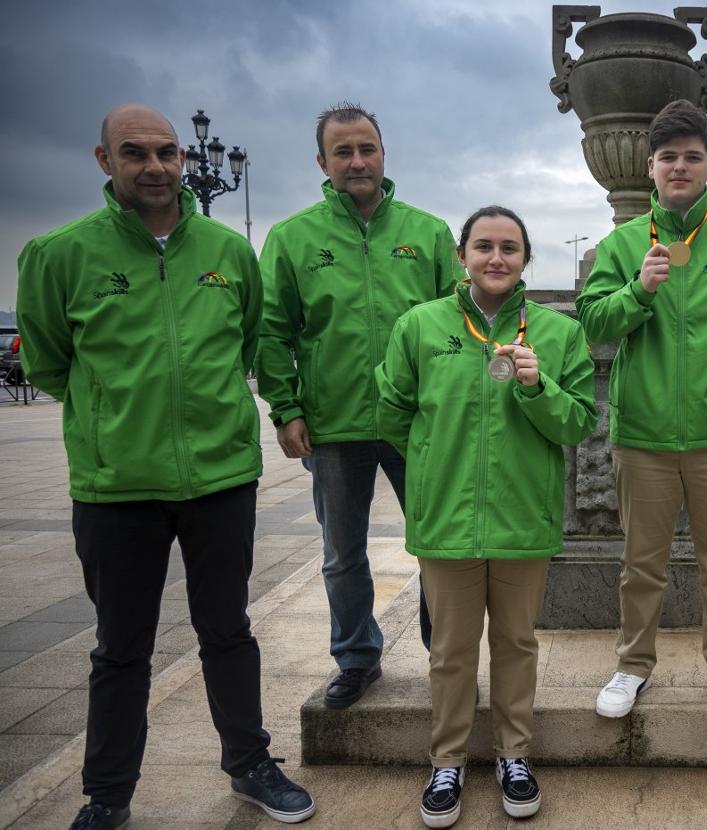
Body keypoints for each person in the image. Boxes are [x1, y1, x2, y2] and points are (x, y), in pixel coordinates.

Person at [16, 103, 314, 830]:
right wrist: (115, 420)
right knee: (121, 649)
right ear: (104, 160)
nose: (154, 167)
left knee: (229, 632)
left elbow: (248, 342)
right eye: (135, 153)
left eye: (167, 153)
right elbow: (51, 361)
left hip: (220, 480)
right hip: (117, 488)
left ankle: (249, 764)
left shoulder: (227, 251)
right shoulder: (59, 254)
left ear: (184, 159)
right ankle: (107, 796)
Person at [375, 206, 597, 827]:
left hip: (522, 518)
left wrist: (537, 387)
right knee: (449, 649)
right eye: (483, 246)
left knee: (517, 643)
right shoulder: (421, 325)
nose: (495, 258)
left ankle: (513, 755)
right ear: (462, 256)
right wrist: (431, 465)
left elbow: (578, 421)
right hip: (446, 521)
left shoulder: (556, 333)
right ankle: (447, 759)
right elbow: (392, 412)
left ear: (526, 259)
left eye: (509, 248)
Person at [576, 99, 707, 725]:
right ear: (651, 166)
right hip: (643, 434)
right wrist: (639, 291)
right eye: (669, 157)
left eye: (692, 156)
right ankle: (633, 663)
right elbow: (593, 321)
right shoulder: (622, 243)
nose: (680, 167)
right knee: (642, 562)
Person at [257, 102, 462, 708]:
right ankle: (355, 657)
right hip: (333, 424)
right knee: (341, 554)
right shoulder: (292, 239)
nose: (356, 161)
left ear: (383, 153)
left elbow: (457, 322)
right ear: (322, 161)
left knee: (438, 546)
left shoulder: (426, 233)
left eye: (366, 148)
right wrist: (286, 407)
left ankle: (443, 656)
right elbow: (272, 332)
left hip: (414, 423)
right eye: (342, 151)